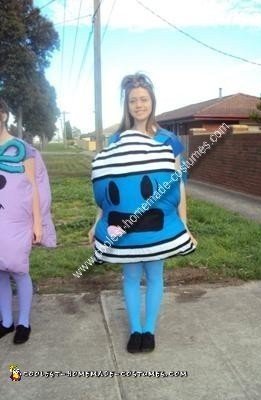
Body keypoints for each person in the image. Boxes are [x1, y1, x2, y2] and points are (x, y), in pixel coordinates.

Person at [90, 73, 197, 353]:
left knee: (154, 274)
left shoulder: (168, 140)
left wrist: (183, 225)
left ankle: (148, 330)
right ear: (126, 105)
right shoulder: (115, 140)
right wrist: (97, 222)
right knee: (129, 275)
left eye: (144, 99)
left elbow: (178, 185)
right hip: (124, 224)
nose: (139, 104)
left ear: (152, 101)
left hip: (157, 224)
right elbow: (106, 188)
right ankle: (134, 329)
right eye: (133, 100)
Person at [0, 98, 56, 344]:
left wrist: (37, 224)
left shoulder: (24, 149)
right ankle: (5, 321)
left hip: (17, 221)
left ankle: (24, 321)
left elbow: (35, 186)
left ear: (3, 115)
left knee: (19, 269)